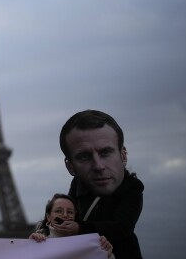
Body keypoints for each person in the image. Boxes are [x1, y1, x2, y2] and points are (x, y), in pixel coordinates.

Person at [59, 110, 144, 259]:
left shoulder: (132, 187)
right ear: (70, 166)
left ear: (123, 156)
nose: (98, 166)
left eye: (105, 152)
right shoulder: (78, 185)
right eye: (84, 156)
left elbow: (121, 228)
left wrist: (79, 228)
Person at [28, 193, 114, 258]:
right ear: (48, 217)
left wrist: (106, 254)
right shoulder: (38, 242)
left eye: (70, 212)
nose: (65, 215)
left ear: (74, 217)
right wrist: (30, 247)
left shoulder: (89, 242)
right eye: (58, 211)